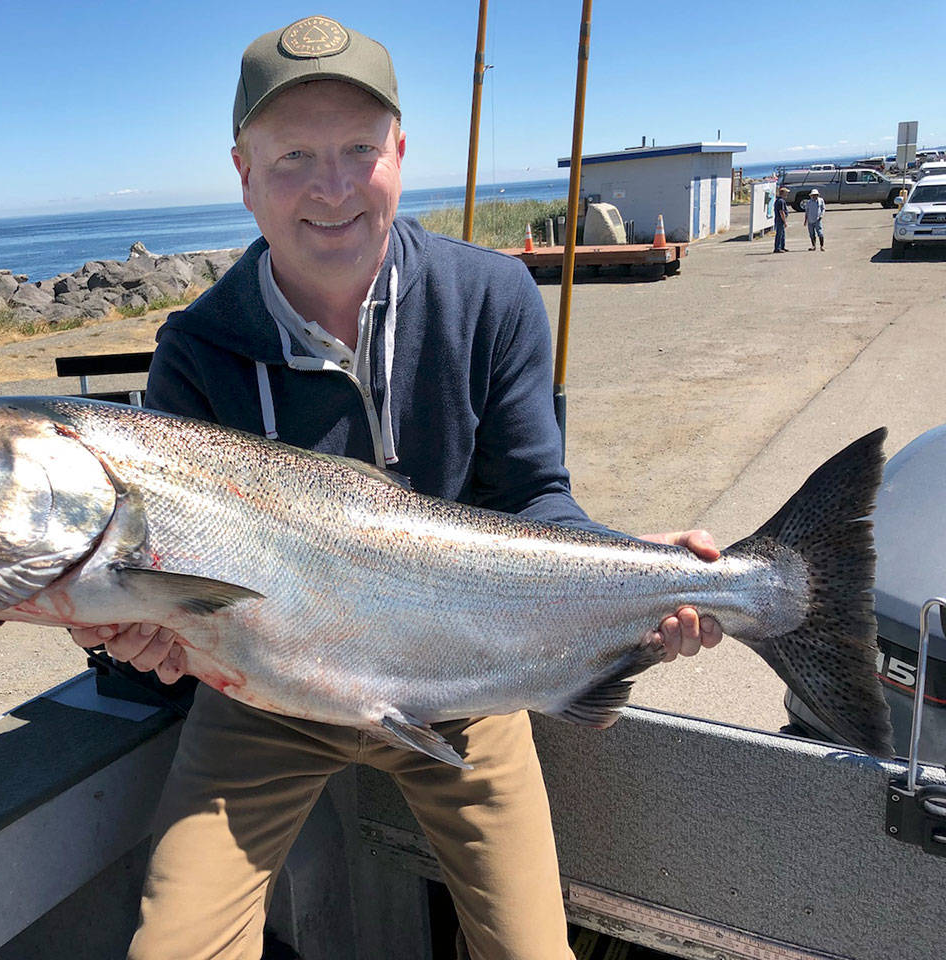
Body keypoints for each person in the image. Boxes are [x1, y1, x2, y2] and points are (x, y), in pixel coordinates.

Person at [71, 16, 723, 959]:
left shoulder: (492, 295)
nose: (332, 188)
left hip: (464, 679)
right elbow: (169, 576)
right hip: (263, 699)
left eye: (359, 150)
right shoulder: (197, 349)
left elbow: (536, 498)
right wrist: (141, 630)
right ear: (244, 173)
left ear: (402, 154)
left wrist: (637, 572)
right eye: (293, 155)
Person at [773, 186, 790, 252]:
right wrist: (785, 221)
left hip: (779, 220)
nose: (787, 194)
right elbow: (781, 212)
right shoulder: (780, 201)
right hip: (780, 220)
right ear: (782, 193)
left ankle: (782, 247)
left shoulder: (780, 200)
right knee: (779, 234)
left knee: (782, 234)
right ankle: (777, 248)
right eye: (786, 193)